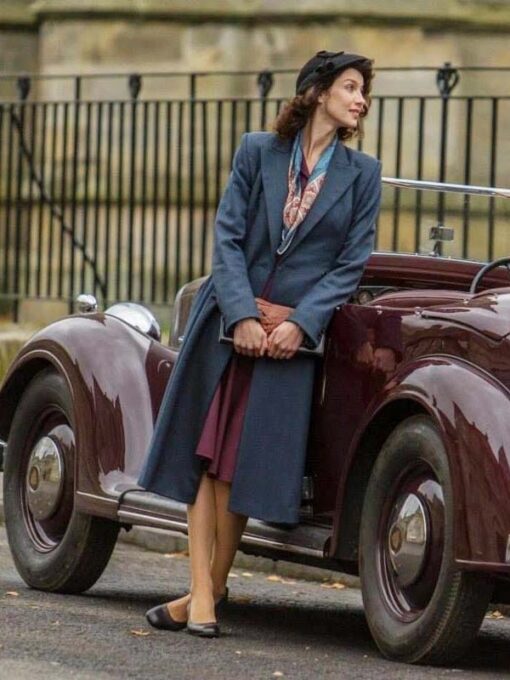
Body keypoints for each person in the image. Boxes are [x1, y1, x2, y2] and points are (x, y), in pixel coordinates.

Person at [139, 50, 382, 638]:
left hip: (291, 342)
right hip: (227, 326)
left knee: (241, 467)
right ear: (318, 92)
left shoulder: (363, 174)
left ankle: (207, 591)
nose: (361, 100)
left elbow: (350, 265)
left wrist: (301, 324)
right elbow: (226, 238)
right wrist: (243, 314)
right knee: (205, 459)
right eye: (351, 87)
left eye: (363, 92)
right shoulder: (257, 151)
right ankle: (203, 596)